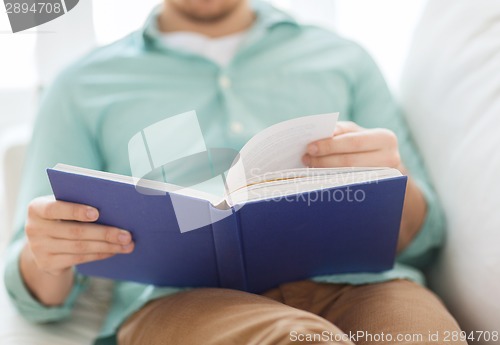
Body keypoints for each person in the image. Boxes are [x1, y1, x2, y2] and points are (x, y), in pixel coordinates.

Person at [4, 0, 466, 344]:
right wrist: (47, 252)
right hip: (179, 306)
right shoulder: (80, 84)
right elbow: (36, 286)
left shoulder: (344, 59)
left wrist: (390, 179)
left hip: (365, 288)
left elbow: (425, 238)